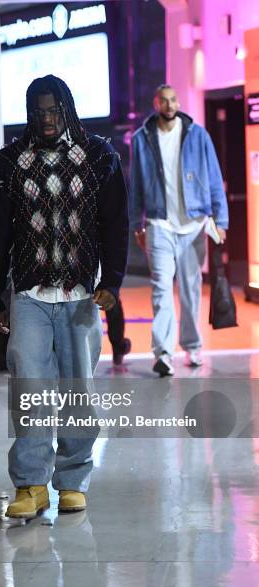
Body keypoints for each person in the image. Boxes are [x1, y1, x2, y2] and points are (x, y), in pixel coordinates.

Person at [0, 75, 128, 518]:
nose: (45, 119)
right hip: (29, 294)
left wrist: (113, 281)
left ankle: (73, 479)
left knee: (78, 390)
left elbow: (116, 224)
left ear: (66, 108)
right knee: (30, 388)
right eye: (38, 111)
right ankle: (31, 484)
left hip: (81, 294)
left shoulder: (99, 156)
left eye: (52, 110)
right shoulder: (10, 163)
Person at [129, 84, 228, 376]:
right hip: (159, 224)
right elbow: (135, 185)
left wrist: (220, 221)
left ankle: (192, 345)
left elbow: (214, 178)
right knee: (161, 289)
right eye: (164, 101)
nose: (170, 105)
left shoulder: (198, 136)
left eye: (174, 100)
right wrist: (137, 224)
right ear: (156, 103)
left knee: (190, 290)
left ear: (179, 102)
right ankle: (163, 353)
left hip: (194, 225)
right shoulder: (142, 139)